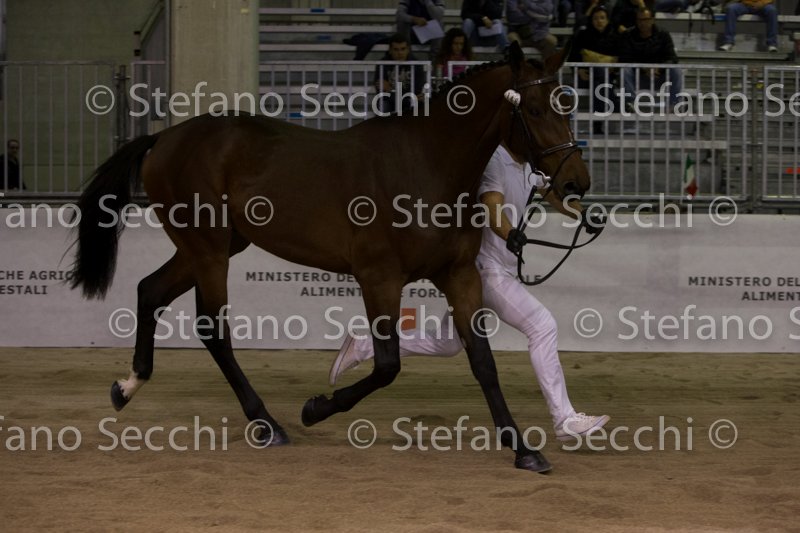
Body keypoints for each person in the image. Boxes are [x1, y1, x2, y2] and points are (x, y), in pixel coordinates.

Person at [329, 143, 610, 442]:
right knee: (542, 325)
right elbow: (491, 203)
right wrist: (509, 233)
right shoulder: (495, 160)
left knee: (447, 342)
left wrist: (582, 215)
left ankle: (363, 346)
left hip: (495, 271)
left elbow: (551, 193)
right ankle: (564, 418)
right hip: (486, 272)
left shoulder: (528, 164)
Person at [569, 5, 621, 133]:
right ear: (591, 20)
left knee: (597, 81)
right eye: (596, 18)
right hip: (584, 77)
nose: (599, 21)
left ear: (607, 20)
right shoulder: (582, 35)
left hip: (608, 78)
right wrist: (579, 70)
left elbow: (621, 58)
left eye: (602, 18)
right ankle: (616, 105)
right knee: (598, 74)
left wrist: (614, 68)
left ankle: (597, 123)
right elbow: (572, 57)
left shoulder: (615, 37)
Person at [620, 9, 683, 111]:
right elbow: (624, 59)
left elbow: (672, 58)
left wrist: (659, 68)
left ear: (652, 20)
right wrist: (644, 69)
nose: (642, 23)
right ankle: (630, 104)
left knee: (676, 70)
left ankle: (674, 105)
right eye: (639, 20)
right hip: (637, 78)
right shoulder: (628, 35)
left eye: (645, 19)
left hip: (660, 77)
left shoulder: (663, 34)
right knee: (625, 69)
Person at [374, 33, 428, 115]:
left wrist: (390, 89)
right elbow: (382, 93)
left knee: (420, 106)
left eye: (403, 49)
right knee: (383, 105)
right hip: (391, 102)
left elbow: (416, 92)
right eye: (396, 49)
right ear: (390, 50)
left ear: (408, 49)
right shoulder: (382, 64)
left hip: (408, 103)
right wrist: (407, 99)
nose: (400, 53)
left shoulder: (416, 65)